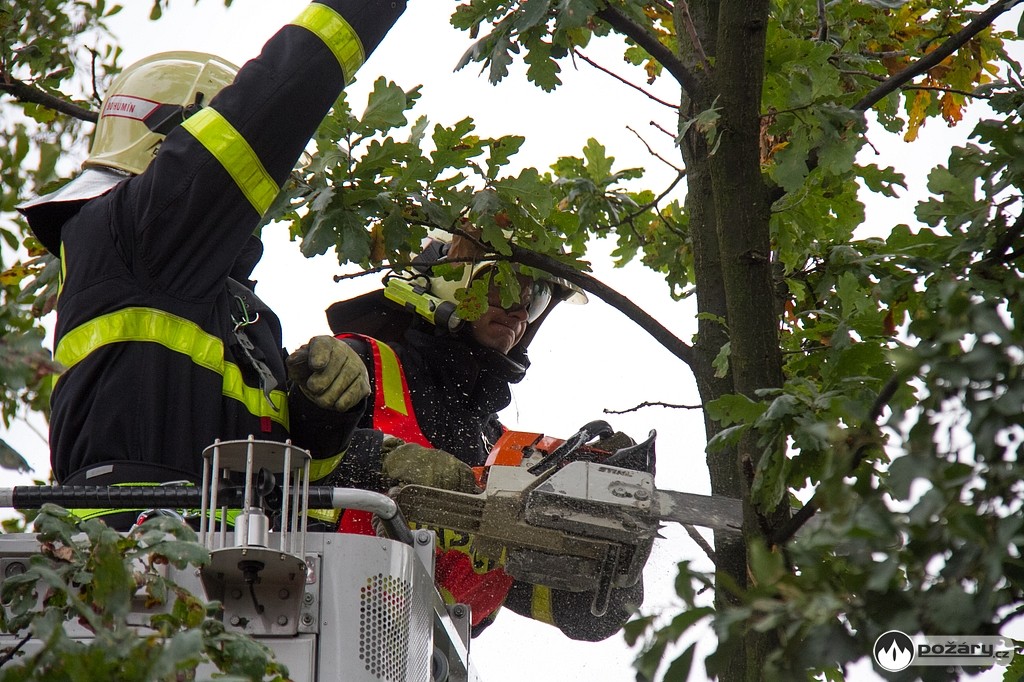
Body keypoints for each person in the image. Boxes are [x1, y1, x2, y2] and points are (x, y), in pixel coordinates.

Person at [15, 1, 408, 525]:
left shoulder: (234, 309)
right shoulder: (136, 230)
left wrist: (323, 414)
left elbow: (291, 479)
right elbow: (278, 94)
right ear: (180, 143)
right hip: (137, 559)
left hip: (230, 570)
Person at [314, 229, 652, 641]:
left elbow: (585, 616)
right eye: (503, 289)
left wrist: (611, 552)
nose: (518, 312)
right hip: (310, 624)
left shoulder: (508, 456)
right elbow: (274, 461)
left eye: (533, 301)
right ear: (453, 280)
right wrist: (381, 458)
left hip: (416, 664)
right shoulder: (362, 365)